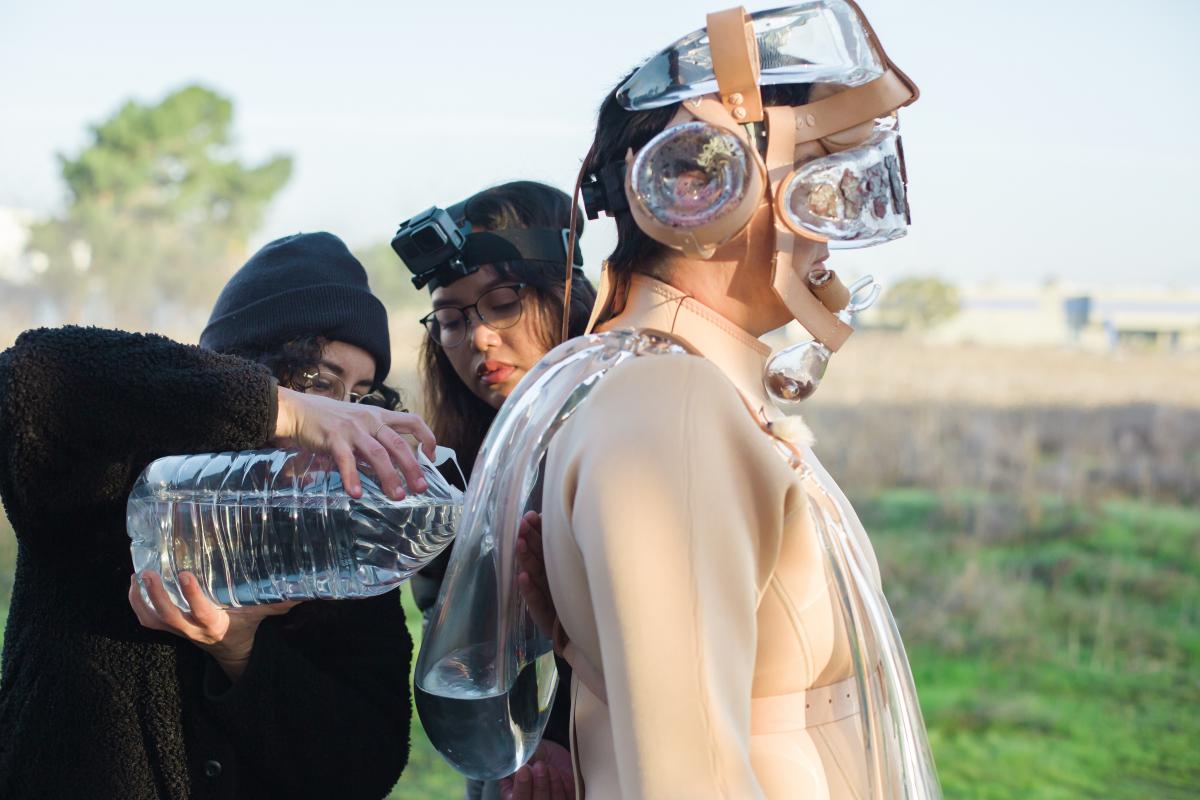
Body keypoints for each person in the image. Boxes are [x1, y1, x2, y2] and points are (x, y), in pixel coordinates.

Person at [513, 4, 940, 798]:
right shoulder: (671, 403)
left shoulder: (692, 386)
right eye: (815, 176)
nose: (831, 224)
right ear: (700, 187)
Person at [0, 231, 434, 799]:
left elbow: (364, 764)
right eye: (317, 383)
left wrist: (240, 649)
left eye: (359, 395)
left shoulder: (346, 547)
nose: (341, 419)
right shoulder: (112, 469)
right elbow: (27, 378)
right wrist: (281, 410)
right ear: (239, 371)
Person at [400, 181, 596, 800]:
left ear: (563, 294)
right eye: (453, 320)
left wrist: (573, 738)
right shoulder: (456, 461)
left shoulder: (615, 433)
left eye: (502, 303)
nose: (478, 339)